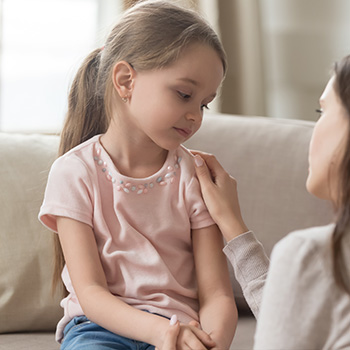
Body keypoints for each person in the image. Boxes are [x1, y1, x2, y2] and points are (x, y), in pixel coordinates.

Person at [38, 1, 237, 349]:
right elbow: (91, 292)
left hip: (181, 328)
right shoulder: (74, 173)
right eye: (184, 95)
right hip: (97, 328)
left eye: (203, 103)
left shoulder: (195, 176)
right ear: (126, 80)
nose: (195, 116)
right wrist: (159, 333)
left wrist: (214, 342)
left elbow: (217, 292)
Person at [160, 55, 350, 348]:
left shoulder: (315, 255)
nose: (195, 117)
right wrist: (233, 225)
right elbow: (290, 319)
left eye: (323, 112)